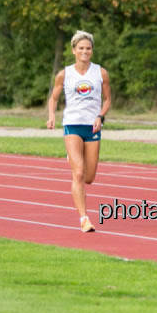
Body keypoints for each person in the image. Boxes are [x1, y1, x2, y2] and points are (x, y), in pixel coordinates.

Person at [47, 30, 112, 232]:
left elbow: (108, 99)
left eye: (88, 48)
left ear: (92, 51)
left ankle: (74, 158)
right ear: (74, 50)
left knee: (89, 177)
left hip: (91, 127)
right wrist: (52, 115)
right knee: (78, 172)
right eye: (81, 48)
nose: (85, 51)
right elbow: (54, 98)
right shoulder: (64, 74)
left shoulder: (100, 73)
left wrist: (100, 116)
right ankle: (84, 219)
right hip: (72, 125)